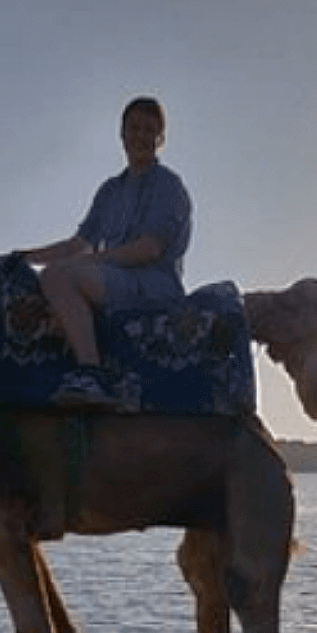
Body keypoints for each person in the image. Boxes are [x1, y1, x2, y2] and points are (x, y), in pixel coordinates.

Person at [17, 96, 193, 408]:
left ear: (161, 139)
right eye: (134, 128)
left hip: (153, 285)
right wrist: (23, 257)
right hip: (112, 279)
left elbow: (149, 249)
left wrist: (83, 263)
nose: (140, 136)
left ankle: (91, 373)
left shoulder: (169, 186)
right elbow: (78, 244)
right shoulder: (109, 191)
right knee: (38, 284)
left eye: (149, 130)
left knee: (59, 277)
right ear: (122, 134)